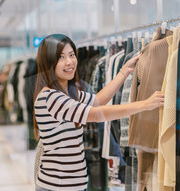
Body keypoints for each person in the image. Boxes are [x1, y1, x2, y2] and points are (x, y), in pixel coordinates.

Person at [33, 34, 164, 191]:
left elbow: (97, 101)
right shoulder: (51, 97)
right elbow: (96, 114)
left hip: (71, 185)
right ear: (48, 62)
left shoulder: (69, 93)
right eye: (61, 57)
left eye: (72, 55)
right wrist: (145, 104)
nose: (70, 62)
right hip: (56, 186)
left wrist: (124, 71)